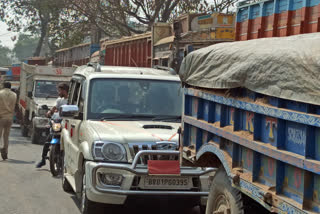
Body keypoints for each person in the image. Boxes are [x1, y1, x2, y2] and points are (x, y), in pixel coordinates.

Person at [36, 82, 69, 168]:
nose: (58, 92)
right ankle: (43, 160)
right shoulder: (59, 100)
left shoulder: (71, 100)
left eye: (60, 91)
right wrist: (49, 112)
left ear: (64, 90)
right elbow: (54, 107)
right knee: (47, 141)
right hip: (57, 123)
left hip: (66, 125)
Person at [0, 82, 17, 160]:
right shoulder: (14, 95)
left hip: (1, 117)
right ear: (10, 87)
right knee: (6, 136)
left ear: (3, 86)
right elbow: (15, 105)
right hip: (9, 117)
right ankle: (5, 151)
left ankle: (2, 149)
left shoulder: (0, 93)